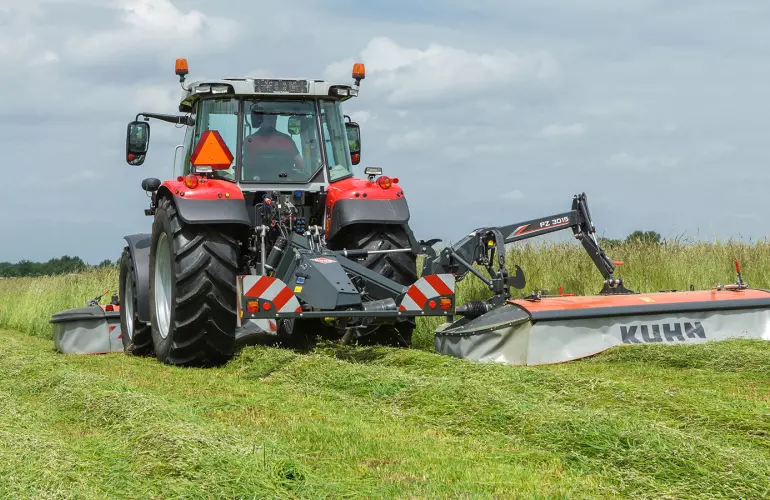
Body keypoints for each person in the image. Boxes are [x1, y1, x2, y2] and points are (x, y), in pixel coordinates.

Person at [242, 113, 305, 180]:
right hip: (284, 183)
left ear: (259, 121)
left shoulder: (249, 141)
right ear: (274, 120)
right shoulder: (286, 140)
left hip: (253, 183)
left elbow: (245, 165)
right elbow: (300, 164)